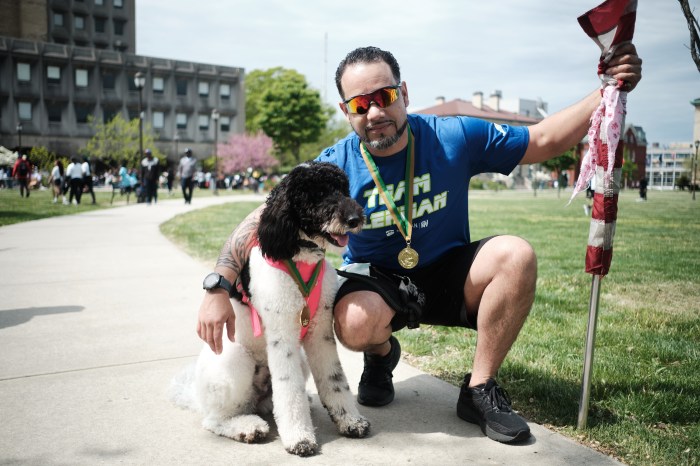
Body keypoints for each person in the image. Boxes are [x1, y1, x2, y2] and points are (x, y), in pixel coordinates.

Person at [196, 45, 642, 444]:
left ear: (403, 92)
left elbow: (543, 139)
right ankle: (380, 355)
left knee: (516, 254)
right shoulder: (335, 162)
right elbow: (264, 215)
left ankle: (480, 389)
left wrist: (605, 90)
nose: (374, 113)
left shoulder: (454, 135)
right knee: (351, 321)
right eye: (360, 104)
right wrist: (218, 285)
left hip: (449, 268)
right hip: (379, 279)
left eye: (384, 97)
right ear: (346, 110)